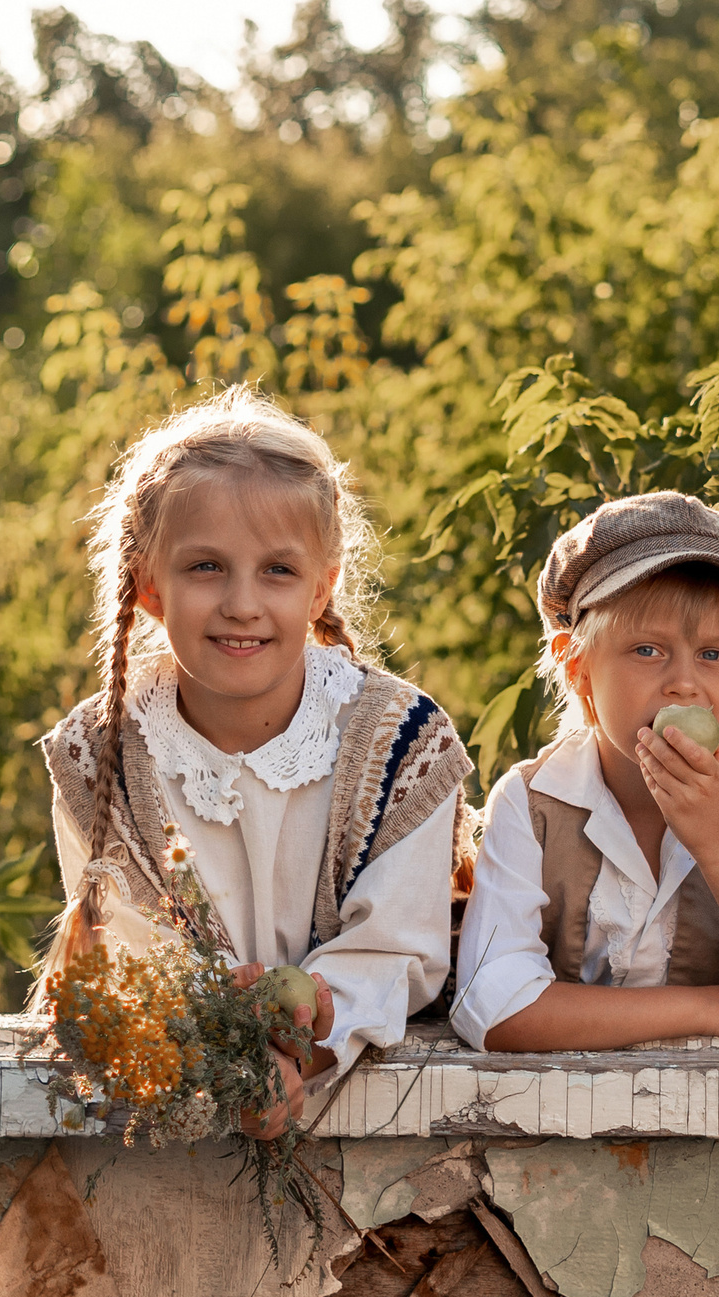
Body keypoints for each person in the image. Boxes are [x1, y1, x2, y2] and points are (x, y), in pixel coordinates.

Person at [39, 386, 469, 1129]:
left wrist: (299, 1045)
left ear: (321, 586)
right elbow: (133, 962)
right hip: (178, 1128)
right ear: (149, 585)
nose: (242, 603)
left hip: (371, 1122)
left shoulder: (401, 743)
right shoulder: (101, 760)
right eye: (206, 566)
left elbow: (398, 948)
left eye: (277, 570)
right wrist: (229, 1038)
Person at [451, 492, 719, 1052]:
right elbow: (495, 1008)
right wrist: (709, 1008)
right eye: (648, 650)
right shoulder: (532, 804)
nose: (684, 682)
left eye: (713, 655)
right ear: (578, 669)